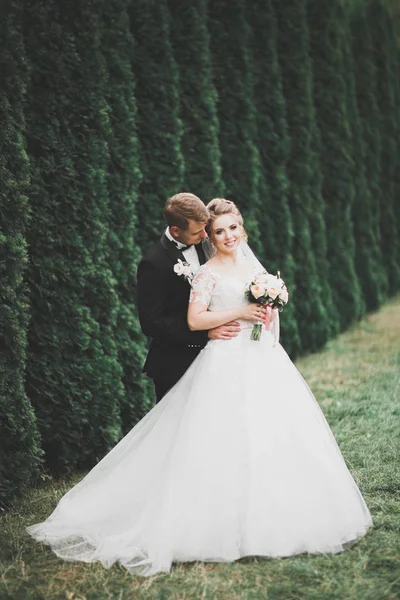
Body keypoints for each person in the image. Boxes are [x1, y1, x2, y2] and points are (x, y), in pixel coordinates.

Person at [27, 198, 372, 577]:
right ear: (191, 232)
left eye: (231, 229)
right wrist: (237, 314)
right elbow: (184, 319)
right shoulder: (177, 265)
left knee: (268, 432)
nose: (223, 236)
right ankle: (198, 518)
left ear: (242, 229)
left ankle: (273, 513)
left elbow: (259, 306)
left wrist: (268, 312)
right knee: (199, 440)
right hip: (213, 358)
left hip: (259, 357)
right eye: (215, 231)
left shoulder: (248, 264)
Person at [137, 192, 240, 402]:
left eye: (205, 228)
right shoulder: (154, 263)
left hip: (214, 359)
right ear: (175, 230)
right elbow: (151, 323)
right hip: (175, 363)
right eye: (197, 232)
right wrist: (204, 333)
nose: (204, 235)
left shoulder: (206, 246)